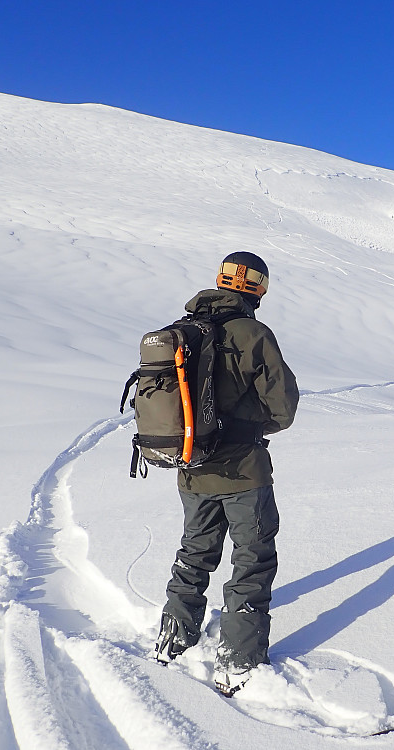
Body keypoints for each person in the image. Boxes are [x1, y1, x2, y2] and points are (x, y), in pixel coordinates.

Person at [152, 251, 299, 696]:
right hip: (244, 471)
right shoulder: (254, 333)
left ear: (219, 280)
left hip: (191, 467)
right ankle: (239, 662)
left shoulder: (181, 331)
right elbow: (284, 407)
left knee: (195, 552)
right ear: (260, 288)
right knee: (252, 560)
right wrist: (254, 427)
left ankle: (172, 640)